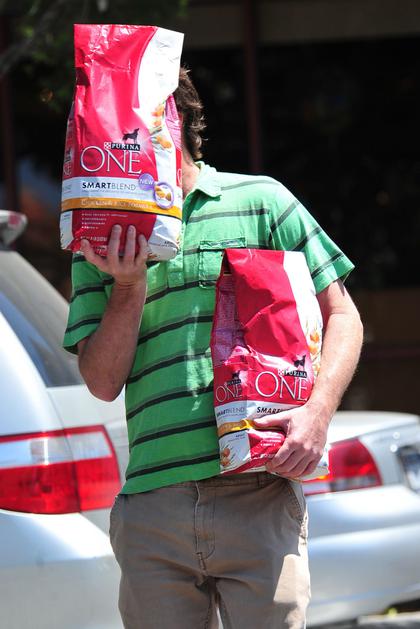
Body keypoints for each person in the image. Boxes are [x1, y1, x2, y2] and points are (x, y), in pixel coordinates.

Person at [63, 67, 363, 629]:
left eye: (127, 123)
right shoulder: (98, 237)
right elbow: (102, 383)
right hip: (153, 504)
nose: (112, 142)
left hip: (259, 489)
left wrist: (319, 413)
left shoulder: (262, 200)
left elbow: (343, 316)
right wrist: (128, 288)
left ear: (172, 119)